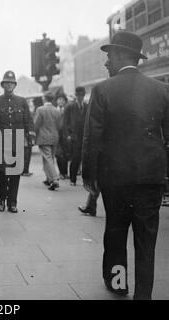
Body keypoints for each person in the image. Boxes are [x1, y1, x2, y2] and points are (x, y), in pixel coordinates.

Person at [82, 31, 169, 300]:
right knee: (146, 240)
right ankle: (144, 294)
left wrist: (89, 176)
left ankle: (119, 284)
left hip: (115, 180)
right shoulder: (162, 90)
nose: (106, 63)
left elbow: (91, 138)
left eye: (109, 57)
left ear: (121, 56)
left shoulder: (102, 90)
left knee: (116, 234)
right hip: (150, 180)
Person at [0, 71, 34, 213]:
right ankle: (2, 199)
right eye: (6, 83)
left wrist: (30, 136)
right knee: (1, 173)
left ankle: (12, 202)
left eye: (11, 83)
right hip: (0, 143)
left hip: (17, 142)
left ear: (14, 85)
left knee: (15, 173)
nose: (9, 85)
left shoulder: (21, 101)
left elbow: (28, 120)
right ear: (3, 85)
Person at [34, 91, 62, 191]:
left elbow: (36, 124)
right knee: (50, 158)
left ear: (44, 98)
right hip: (54, 137)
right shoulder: (57, 110)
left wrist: (33, 135)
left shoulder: (40, 110)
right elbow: (59, 126)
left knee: (48, 158)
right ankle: (48, 178)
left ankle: (54, 179)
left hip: (43, 137)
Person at [63, 86, 87, 186]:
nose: (80, 97)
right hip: (74, 137)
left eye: (82, 95)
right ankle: (73, 179)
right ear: (76, 96)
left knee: (85, 159)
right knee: (75, 159)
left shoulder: (87, 106)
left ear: (84, 95)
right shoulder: (70, 107)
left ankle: (85, 180)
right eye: (78, 95)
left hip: (85, 137)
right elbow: (65, 123)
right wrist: (67, 135)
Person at [55, 93, 70, 180]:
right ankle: (61, 172)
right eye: (59, 99)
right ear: (56, 101)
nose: (61, 101)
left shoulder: (67, 110)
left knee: (66, 154)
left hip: (65, 135)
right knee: (58, 154)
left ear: (65, 101)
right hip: (56, 135)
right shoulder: (54, 110)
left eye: (63, 100)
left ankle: (65, 172)